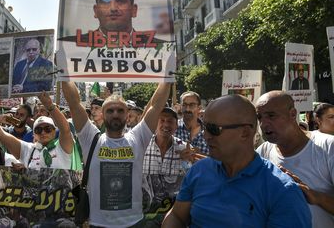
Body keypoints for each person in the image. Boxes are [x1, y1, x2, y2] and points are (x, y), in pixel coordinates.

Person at [162, 94, 311, 227]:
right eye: (205, 128)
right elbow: (177, 215)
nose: (206, 136)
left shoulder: (283, 192)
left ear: (245, 132)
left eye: (214, 129)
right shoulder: (198, 171)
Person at [62, 81, 171, 227]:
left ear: (127, 115)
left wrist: (168, 77)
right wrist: (64, 73)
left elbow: (156, 105)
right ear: (102, 114)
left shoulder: (138, 137)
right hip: (99, 224)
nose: (115, 114)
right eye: (110, 111)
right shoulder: (90, 138)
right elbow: (74, 102)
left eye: (120, 111)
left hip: (134, 223)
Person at [255, 91, 334, 227]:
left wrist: (315, 197)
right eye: (259, 117)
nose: (263, 124)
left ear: (292, 114)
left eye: (271, 116)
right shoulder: (262, 152)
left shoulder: (328, 146)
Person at [58, 0, 166, 47]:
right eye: (105, 2)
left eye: (120, 1)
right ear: (95, 11)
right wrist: (65, 78)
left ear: (134, 10)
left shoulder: (161, 47)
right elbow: (66, 76)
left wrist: (166, 78)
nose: (113, 8)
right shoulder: (70, 45)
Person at [0, 92, 74, 170]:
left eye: (47, 129)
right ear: (33, 134)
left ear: (54, 131)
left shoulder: (62, 148)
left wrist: (50, 105)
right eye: (38, 130)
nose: (43, 132)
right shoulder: (28, 150)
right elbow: (0, 133)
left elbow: (65, 129)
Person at [143, 107, 189, 176]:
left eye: (170, 121)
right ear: (155, 123)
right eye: (162, 120)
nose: (166, 125)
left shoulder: (184, 148)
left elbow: (191, 177)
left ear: (176, 125)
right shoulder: (143, 145)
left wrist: (186, 162)